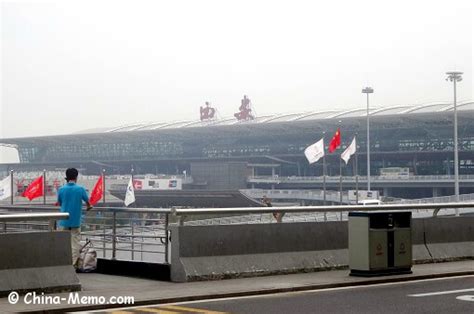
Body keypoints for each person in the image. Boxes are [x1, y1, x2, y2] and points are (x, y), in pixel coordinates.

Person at [57, 168, 92, 268]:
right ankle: (72, 265)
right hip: (75, 221)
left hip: (63, 220)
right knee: (75, 244)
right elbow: (88, 203)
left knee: (63, 242)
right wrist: (89, 206)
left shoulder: (61, 189)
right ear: (76, 177)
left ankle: (63, 263)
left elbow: (59, 203)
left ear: (66, 177)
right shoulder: (80, 189)